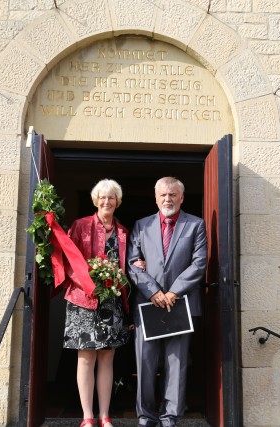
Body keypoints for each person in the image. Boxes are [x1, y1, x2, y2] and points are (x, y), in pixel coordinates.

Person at [127, 177, 208, 427]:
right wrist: (153, 292)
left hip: (180, 303)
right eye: (162, 195)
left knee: (177, 361)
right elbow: (132, 263)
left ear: (181, 197)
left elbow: (199, 263)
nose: (167, 199)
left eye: (172, 194)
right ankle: (145, 414)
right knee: (146, 361)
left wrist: (173, 292)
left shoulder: (195, 225)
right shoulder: (141, 226)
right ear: (155, 198)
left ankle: (171, 414)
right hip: (148, 304)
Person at [63, 179, 132, 427]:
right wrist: (89, 282)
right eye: (102, 197)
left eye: (111, 197)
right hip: (83, 300)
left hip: (111, 303)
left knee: (107, 358)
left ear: (118, 202)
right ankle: (87, 418)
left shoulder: (124, 232)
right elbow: (68, 261)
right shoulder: (80, 226)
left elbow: (129, 266)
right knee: (86, 358)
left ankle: (105, 416)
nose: (107, 201)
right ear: (95, 200)